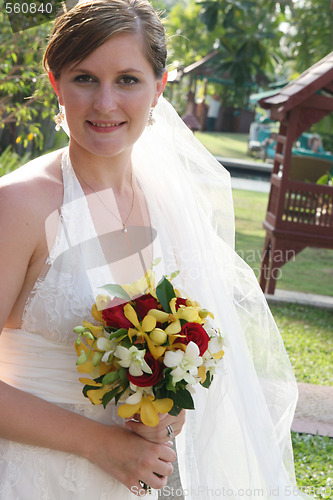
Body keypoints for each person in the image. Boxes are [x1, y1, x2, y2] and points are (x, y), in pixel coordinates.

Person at [0, 1, 313, 499]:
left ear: (159, 87)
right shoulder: (18, 205)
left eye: (127, 79)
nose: (105, 103)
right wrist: (99, 445)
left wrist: (162, 415)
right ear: (56, 84)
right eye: (84, 78)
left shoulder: (169, 202)